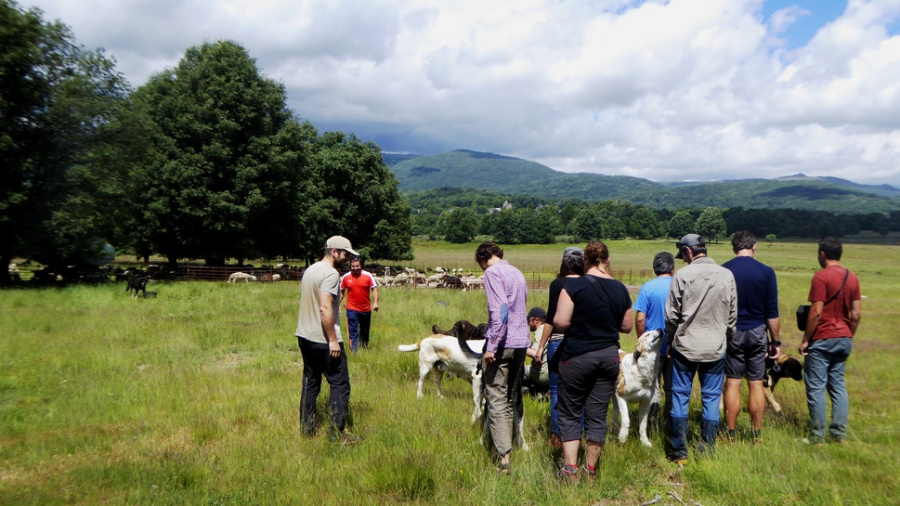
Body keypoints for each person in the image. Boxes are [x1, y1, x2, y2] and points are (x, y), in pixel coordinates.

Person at [552, 241, 633, 482]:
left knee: (570, 412)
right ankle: (591, 470)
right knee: (597, 414)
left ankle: (570, 470)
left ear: (585, 261)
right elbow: (627, 326)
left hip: (577, 356)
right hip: (608, 356)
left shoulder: (572, 286)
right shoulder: (621, 289)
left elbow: (560, 322)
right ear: (607, 260)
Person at [666, 234, 736, 465]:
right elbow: (732, 316)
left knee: (679, 396)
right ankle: (707, 448)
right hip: (715, 348)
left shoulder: (682, 276)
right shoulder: (727, 275)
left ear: (687, 251)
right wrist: (724, 338)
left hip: (685, 347)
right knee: (711, 398)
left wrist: (670, 339)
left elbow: (671, 316)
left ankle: (679, 452)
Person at [296, 236, 362, 443]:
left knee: (311, 382)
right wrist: (332, 340)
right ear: (333, 252)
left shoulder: (311, 270)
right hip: (323, 340)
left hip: (304, 336)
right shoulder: (331, 274)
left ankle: (307, 430)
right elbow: (324, 307)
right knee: (340, 384)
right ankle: (336, 434)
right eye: (345, 254)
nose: (348, 259)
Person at [799, 236, 861, 445]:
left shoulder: (821, 277)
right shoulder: (852, 277)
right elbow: (856, 314)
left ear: (823, 254)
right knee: (838, 387)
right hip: (844, 338)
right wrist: (848, 333)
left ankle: (817, 436)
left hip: (823, 338)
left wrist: (806, 339)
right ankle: (839, 435)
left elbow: (816, 311)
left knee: (816, 388)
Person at [721, 231, 781, 443]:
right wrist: (775, 341)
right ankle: (756, 434)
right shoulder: (766, 272)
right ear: (754, 246)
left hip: (733, 331)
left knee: (733, 382)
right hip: (757, 331)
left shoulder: (724, 270)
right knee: (756, 383)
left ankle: (730, 433)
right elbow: (772, 313)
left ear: (734, 248)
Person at [476, 241, 530, 474]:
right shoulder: (517, 273)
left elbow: (500, 310)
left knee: (496, 398)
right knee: (510, 396)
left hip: (503, 343)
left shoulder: (492, 273)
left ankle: (504, 458)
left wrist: (492, 346)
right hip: (520, 343)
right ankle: (509, 444)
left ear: (483, 258)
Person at [534, 246, 584, 449]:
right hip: (581, 343)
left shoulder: (557, 285)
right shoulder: (587, 283)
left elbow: (551, 318)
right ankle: (578, 435)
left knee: (556, 391)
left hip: (558, 341)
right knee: (581, 392)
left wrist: (540, 346)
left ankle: (556, 436)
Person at [633, 251, 675, 425]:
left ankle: (651, 422)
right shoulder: (678, 285)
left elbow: (640, 318)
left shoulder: (648, 287)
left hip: (653, 347)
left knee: (653, 386)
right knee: (673, 387)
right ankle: (672, 420)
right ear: (672, 268)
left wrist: (642, 340)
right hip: (675, 345)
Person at [340, 257, 380, 352]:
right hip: (351, 308)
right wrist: (337, 305)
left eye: (357, 266)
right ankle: (354, 351)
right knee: (353, 331)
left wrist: (375, 303)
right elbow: (342, 292)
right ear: (350, 266)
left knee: (364, 331)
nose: (355, 268)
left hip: (365, 309)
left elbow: (374, 289)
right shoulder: (346, 277)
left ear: (361, 266)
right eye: (353, 266)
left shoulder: (368, 276)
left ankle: (364, 349)